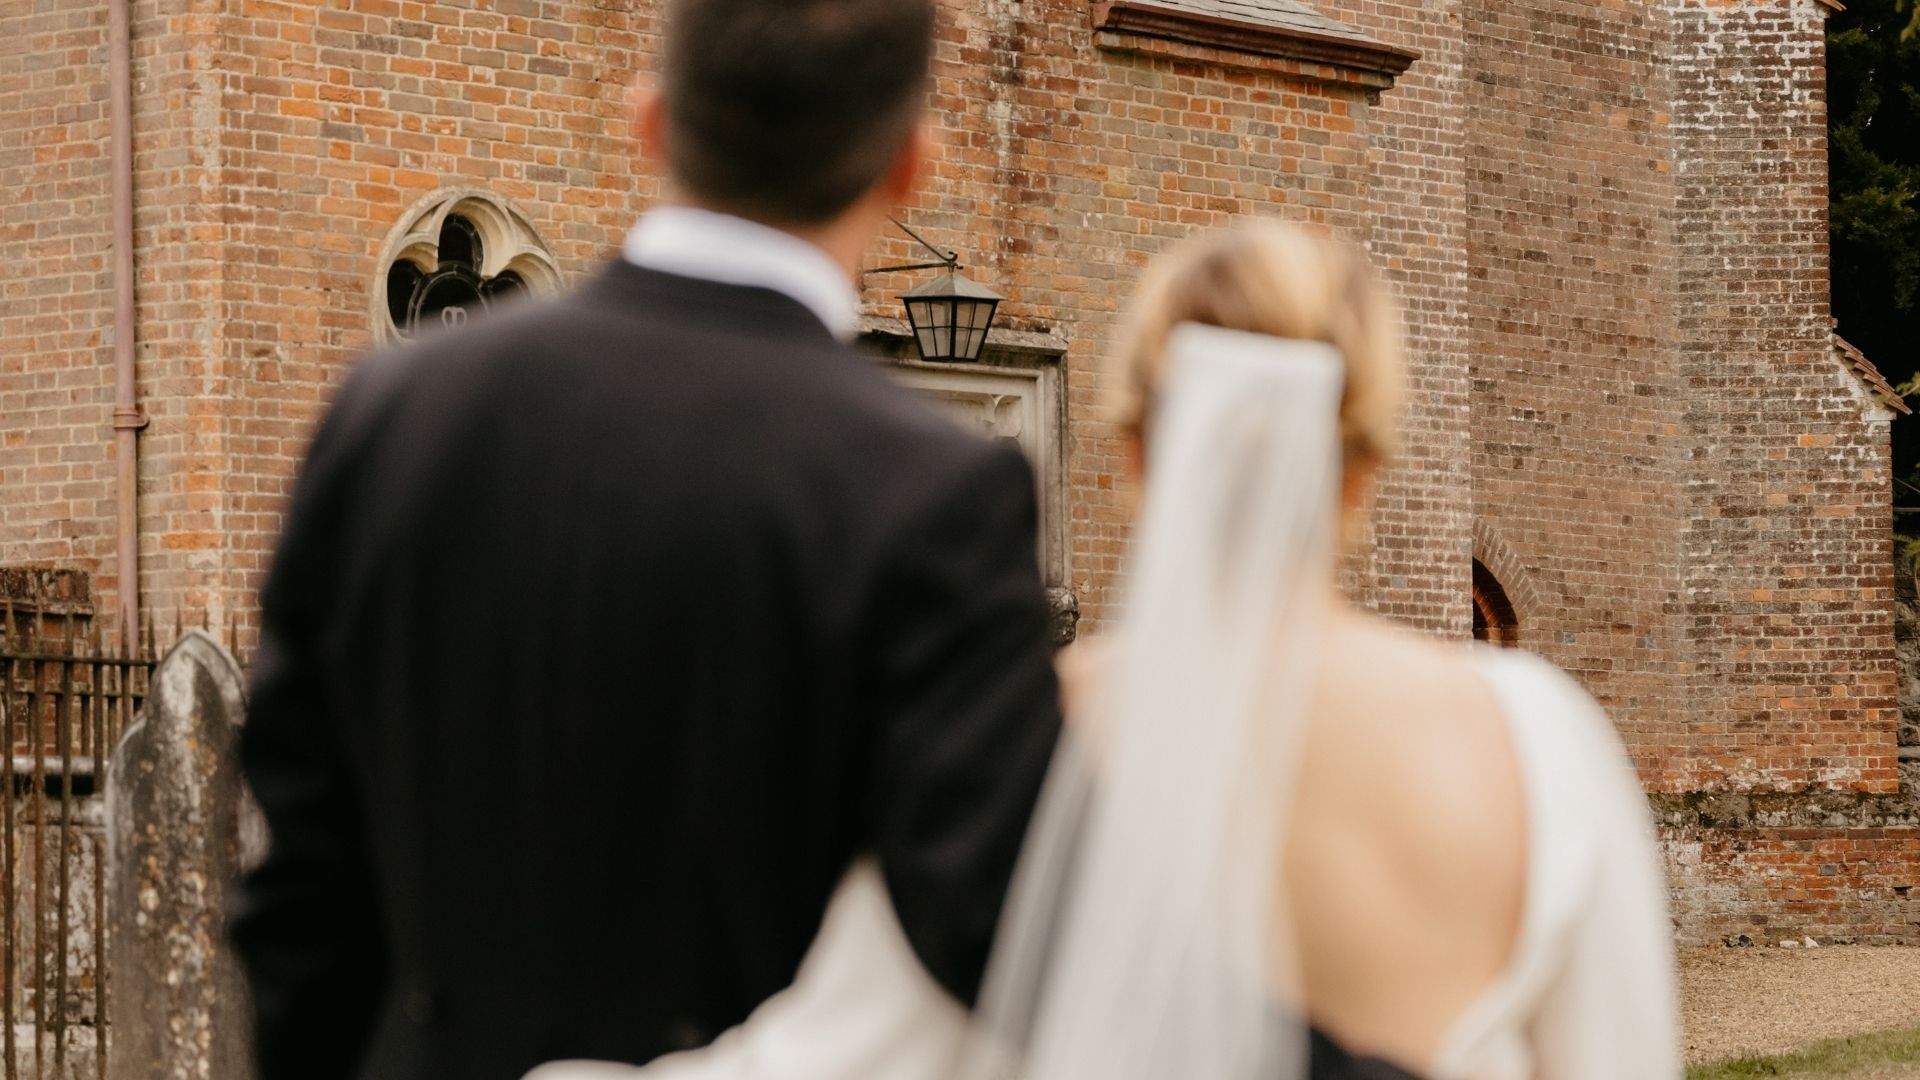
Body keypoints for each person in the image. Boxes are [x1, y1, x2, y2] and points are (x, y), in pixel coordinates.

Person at [568, 222, 1681, 1080]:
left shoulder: (1015, 736)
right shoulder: (1540, 740)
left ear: (1137, 452)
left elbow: (822, 1062)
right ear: (1366, 461)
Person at [227, 0, 1063, 1076]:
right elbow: (992, 939)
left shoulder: (393, 413)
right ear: (911, 164)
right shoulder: (937, 493)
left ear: (651, 122)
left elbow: (300, 902)